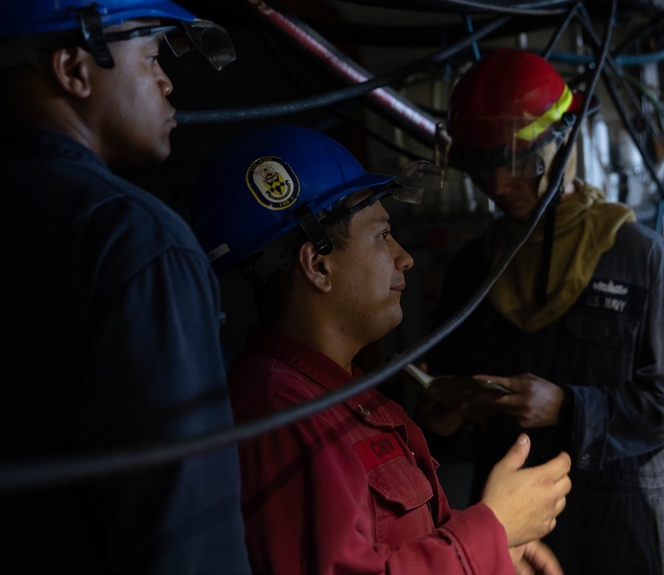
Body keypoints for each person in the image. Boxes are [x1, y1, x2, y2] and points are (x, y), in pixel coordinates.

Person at [189, 124, 572, 575]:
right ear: (319, 265)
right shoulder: (279, 419)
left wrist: (496, 557)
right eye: (381, 235)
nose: (403, 257)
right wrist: (494, 528)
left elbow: (398, 551)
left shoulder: (350, 400)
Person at [0, 0, 247, 573]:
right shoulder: (134, 242)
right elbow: (188, 535)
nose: (166, 80)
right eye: (152, 52)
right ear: (75, 70)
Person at [418, 48, 664, 575]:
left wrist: (567, 407)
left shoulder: (637, 257)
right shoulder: (474, 269)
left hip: (621, 527)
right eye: (482, 170)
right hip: (514, 539)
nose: (498, 186)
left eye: (517, 165)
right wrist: (443, 419)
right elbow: (449, 429)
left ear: (560, 146)